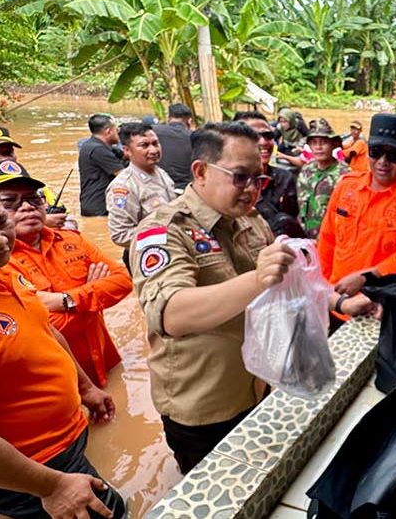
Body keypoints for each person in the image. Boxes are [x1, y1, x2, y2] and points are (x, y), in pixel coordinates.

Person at [129, 122, 371, 474]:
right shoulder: (164, 231)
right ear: (200, 172)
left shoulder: (251, 220)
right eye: (240, 177)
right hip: (203, 407)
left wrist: (339, 303)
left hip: (256, 387)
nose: (252, 190)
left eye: (258, 179)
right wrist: (256, 279)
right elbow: (171, 315)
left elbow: (293, 283)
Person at [0, 168, 124, 518]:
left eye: (0, 221)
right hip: (25, 470)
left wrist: (85, 386)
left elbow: (43, 329)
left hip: (66, 434)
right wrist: (53, 487)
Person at [0, 160, 132, 388]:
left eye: (33, 198)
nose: (27, 207)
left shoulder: (71, 239)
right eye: (10, 201)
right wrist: (93, 300)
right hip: (54, 383)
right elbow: (37, 330)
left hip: (106, 361)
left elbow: (123, 281)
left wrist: (65, 301)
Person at [318, 113, 396, 321]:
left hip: (376, 307)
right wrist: (324, 291)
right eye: (376, 152)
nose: (382, 162)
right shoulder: (347, 185)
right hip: (334, 299)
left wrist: (367, 277)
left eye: (393, 155)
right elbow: (327, 240)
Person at [0, 124, 73, 229]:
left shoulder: (32, 186)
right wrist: (39, 223)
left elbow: (69, 222)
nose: (2, 159)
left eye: (8, 153)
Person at [106, 122, 176, 269]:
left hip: (173, 250)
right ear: (127, 150)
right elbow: (120, 234)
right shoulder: (124, 187)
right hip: (148, 257)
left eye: (155, 143)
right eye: (144, 145)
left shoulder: (160, 172)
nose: (153, 150)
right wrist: (166, 235)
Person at [234, 111, 304, 238]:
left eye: (268, 135)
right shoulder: (225, 181)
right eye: (254, 136)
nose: (263, 142)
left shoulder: (284, 179)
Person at [297, 119, 350, 239]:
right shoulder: (306, 170)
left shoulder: (344, 174)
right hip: (305, 235)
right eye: (314, 143)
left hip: (331, 238)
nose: (318, 147)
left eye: (324, 142)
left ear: (334, 144)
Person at [79, 114, 124, 217]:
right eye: (116, 130)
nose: (118, 134)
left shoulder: (90, 145)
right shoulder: (99, 150)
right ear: (108, 131)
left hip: (92, 204)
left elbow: (122, 155)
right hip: (99, 207)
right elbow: (123, 175)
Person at [154, 103, 194, 191]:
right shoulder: (194, 136)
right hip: (185, 188)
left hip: (158, 185)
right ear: (189, 121)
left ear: (169, 118)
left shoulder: (153, 132)